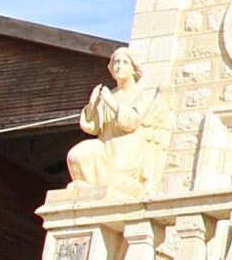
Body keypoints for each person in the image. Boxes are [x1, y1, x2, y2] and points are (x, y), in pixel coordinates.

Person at [66, 49, 169, 197]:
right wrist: (92, 106)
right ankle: (87, 185)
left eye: (124, 62)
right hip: (104, 143)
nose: (119, 66)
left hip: (126, 146)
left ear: (134, 69)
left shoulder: (142, 96)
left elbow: (132, 122)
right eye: (116, 62)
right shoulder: (109, 94)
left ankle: (134, 188)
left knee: (114, 178)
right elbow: (94, 129)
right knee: (75, 155)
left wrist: (112, 103)